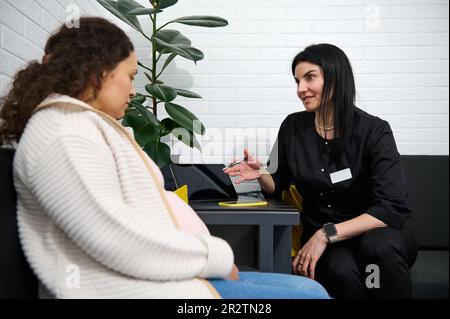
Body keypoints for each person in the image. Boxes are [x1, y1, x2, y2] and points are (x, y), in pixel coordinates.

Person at [0, 17, 329, 299]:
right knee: (309, 294)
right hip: (135, 289)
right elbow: (115, 238)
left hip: (157, 279)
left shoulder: (81, 125)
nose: (133, 91)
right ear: (97, 70)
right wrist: (214, 256)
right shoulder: (64, 131)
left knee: (307, 289)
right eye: (130, 76)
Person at [225, 43, 418, 299]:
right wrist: (262, 175)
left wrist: (325, 234)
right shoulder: (293, 127)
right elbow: (279, 182)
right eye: (297, 81)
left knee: (377, 247)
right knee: (341, 271)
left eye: (310, 77)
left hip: (377, 234)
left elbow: (391, 206)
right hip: (332, 242)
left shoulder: (374, 130)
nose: (300, 89)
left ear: (336, 77)